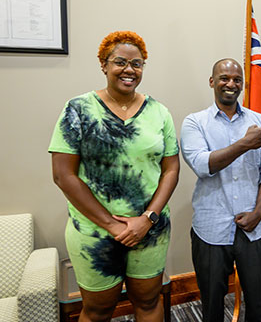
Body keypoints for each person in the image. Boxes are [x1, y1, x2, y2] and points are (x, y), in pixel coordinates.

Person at [49, 31, 179, 322]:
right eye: (120, 62)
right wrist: (111, 224)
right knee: (97, 311)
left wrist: (147, 219)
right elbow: (63, 175)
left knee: (148, 302)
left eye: (137, 63)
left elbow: (171, 169)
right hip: (95, 233)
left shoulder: (159, 112)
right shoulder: (78, 109)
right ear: (103, 65)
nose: (129, 69)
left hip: (149, 229)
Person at [180, 58, 261, 322]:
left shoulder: (260, 120)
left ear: (243, 85)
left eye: (237, 79)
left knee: (259, 303)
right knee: (212, 303)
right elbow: (202, 165)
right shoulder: (195, 122)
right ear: (212, 82)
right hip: (211, 228)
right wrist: (244, 144)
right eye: (224, 78)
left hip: (256, 228)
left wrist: (258, 213)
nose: (231, 84)